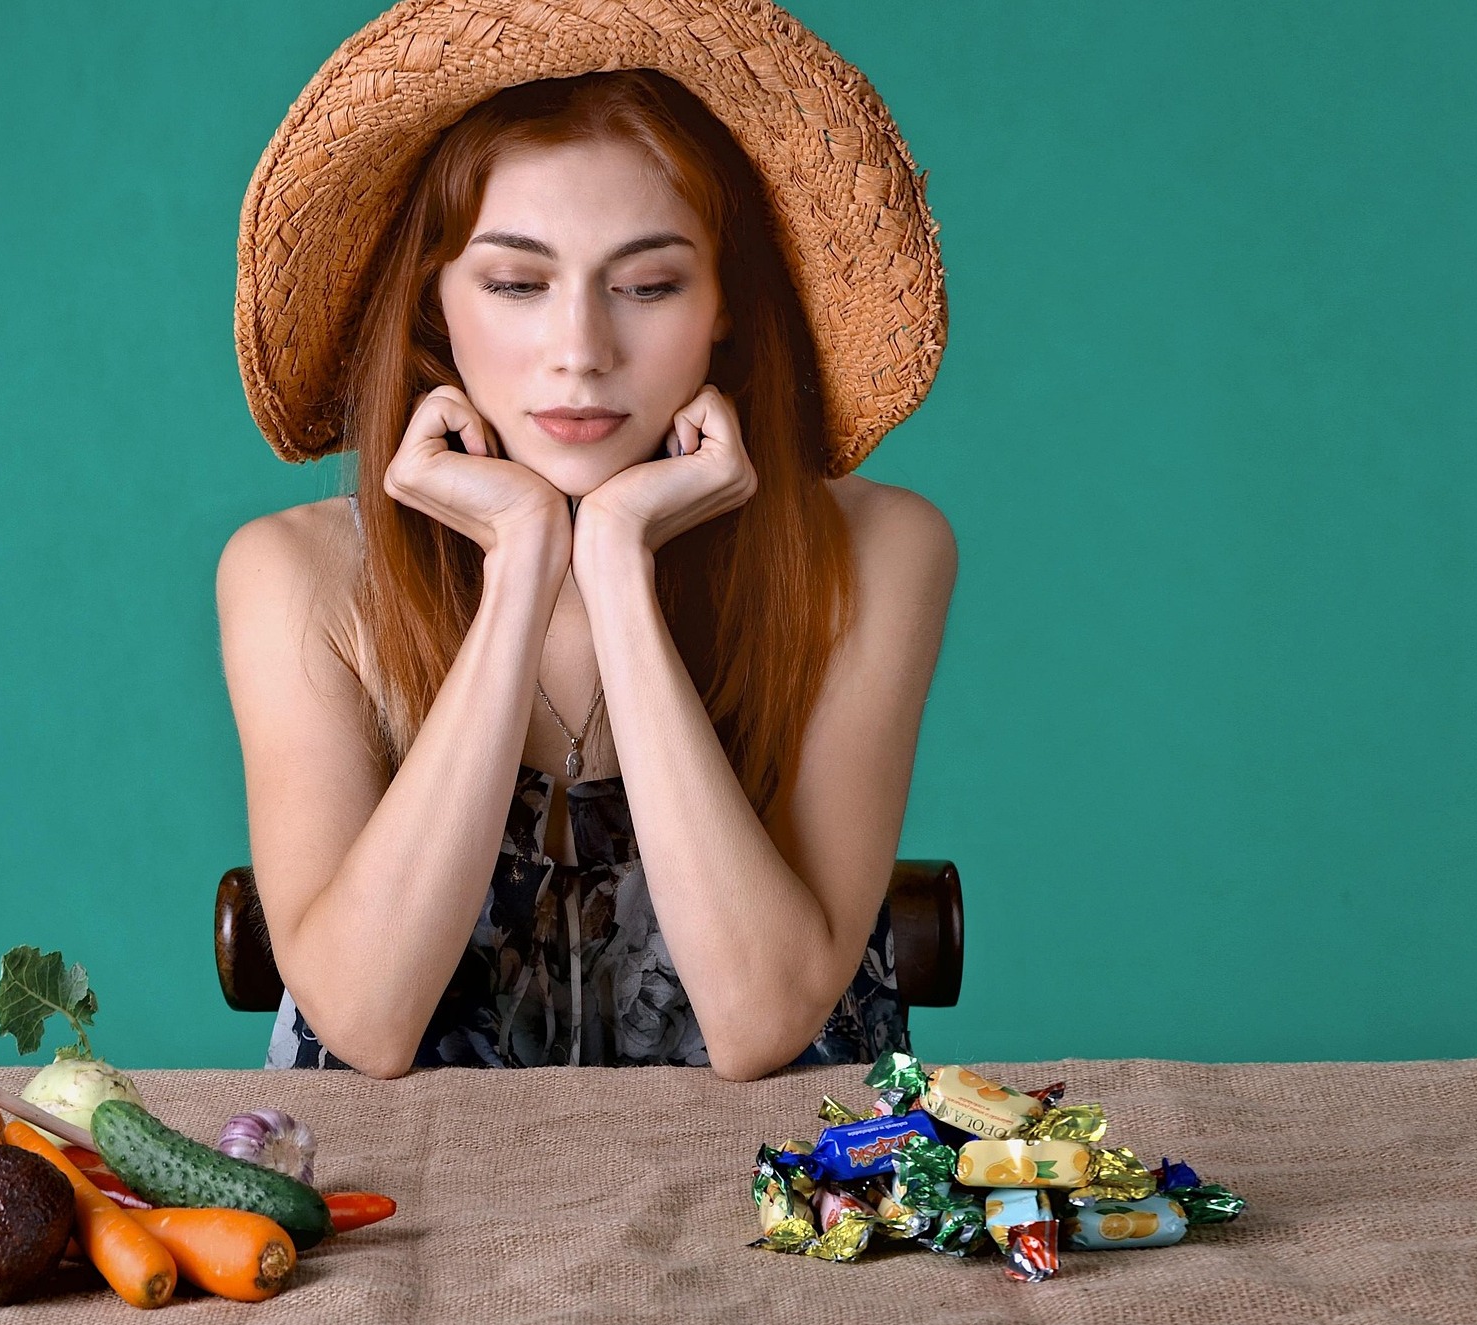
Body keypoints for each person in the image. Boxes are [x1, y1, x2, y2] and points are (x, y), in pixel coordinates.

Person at [217, 0, 956, 1080]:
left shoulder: (883, 549)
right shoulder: (295, 574)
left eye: (649, 284)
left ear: (725, 307)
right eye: (517, 284)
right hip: (403, 1218)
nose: (581, 349)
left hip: (780, 1204)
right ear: (437, 308)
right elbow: (365, 1022)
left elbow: (761, 1022)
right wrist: (519, 563)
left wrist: (616, 564)